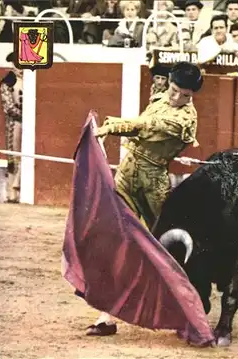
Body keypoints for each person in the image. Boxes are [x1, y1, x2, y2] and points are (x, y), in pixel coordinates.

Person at [86, 61, 203, 336]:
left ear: (192, 95)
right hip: (128, 173)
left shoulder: (187, 118)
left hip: (153, 184)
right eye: (174, 90)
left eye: (184, 95)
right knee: (115, 241)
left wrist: (115, 125)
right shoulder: (160, 97)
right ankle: (106, 317)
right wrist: (117, 125)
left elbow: (147, 125)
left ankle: (192, 314)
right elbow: (141, 125)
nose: (176, 98)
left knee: (164, 251)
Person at [0, 52, 23, 203]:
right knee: (14, 157)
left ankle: (18, 190)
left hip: (26, 122)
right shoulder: (8, 81)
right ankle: (11, 193)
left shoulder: (30, 79)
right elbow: (8, 107)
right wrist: (25, 115)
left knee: (22, 156)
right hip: (15, 123)